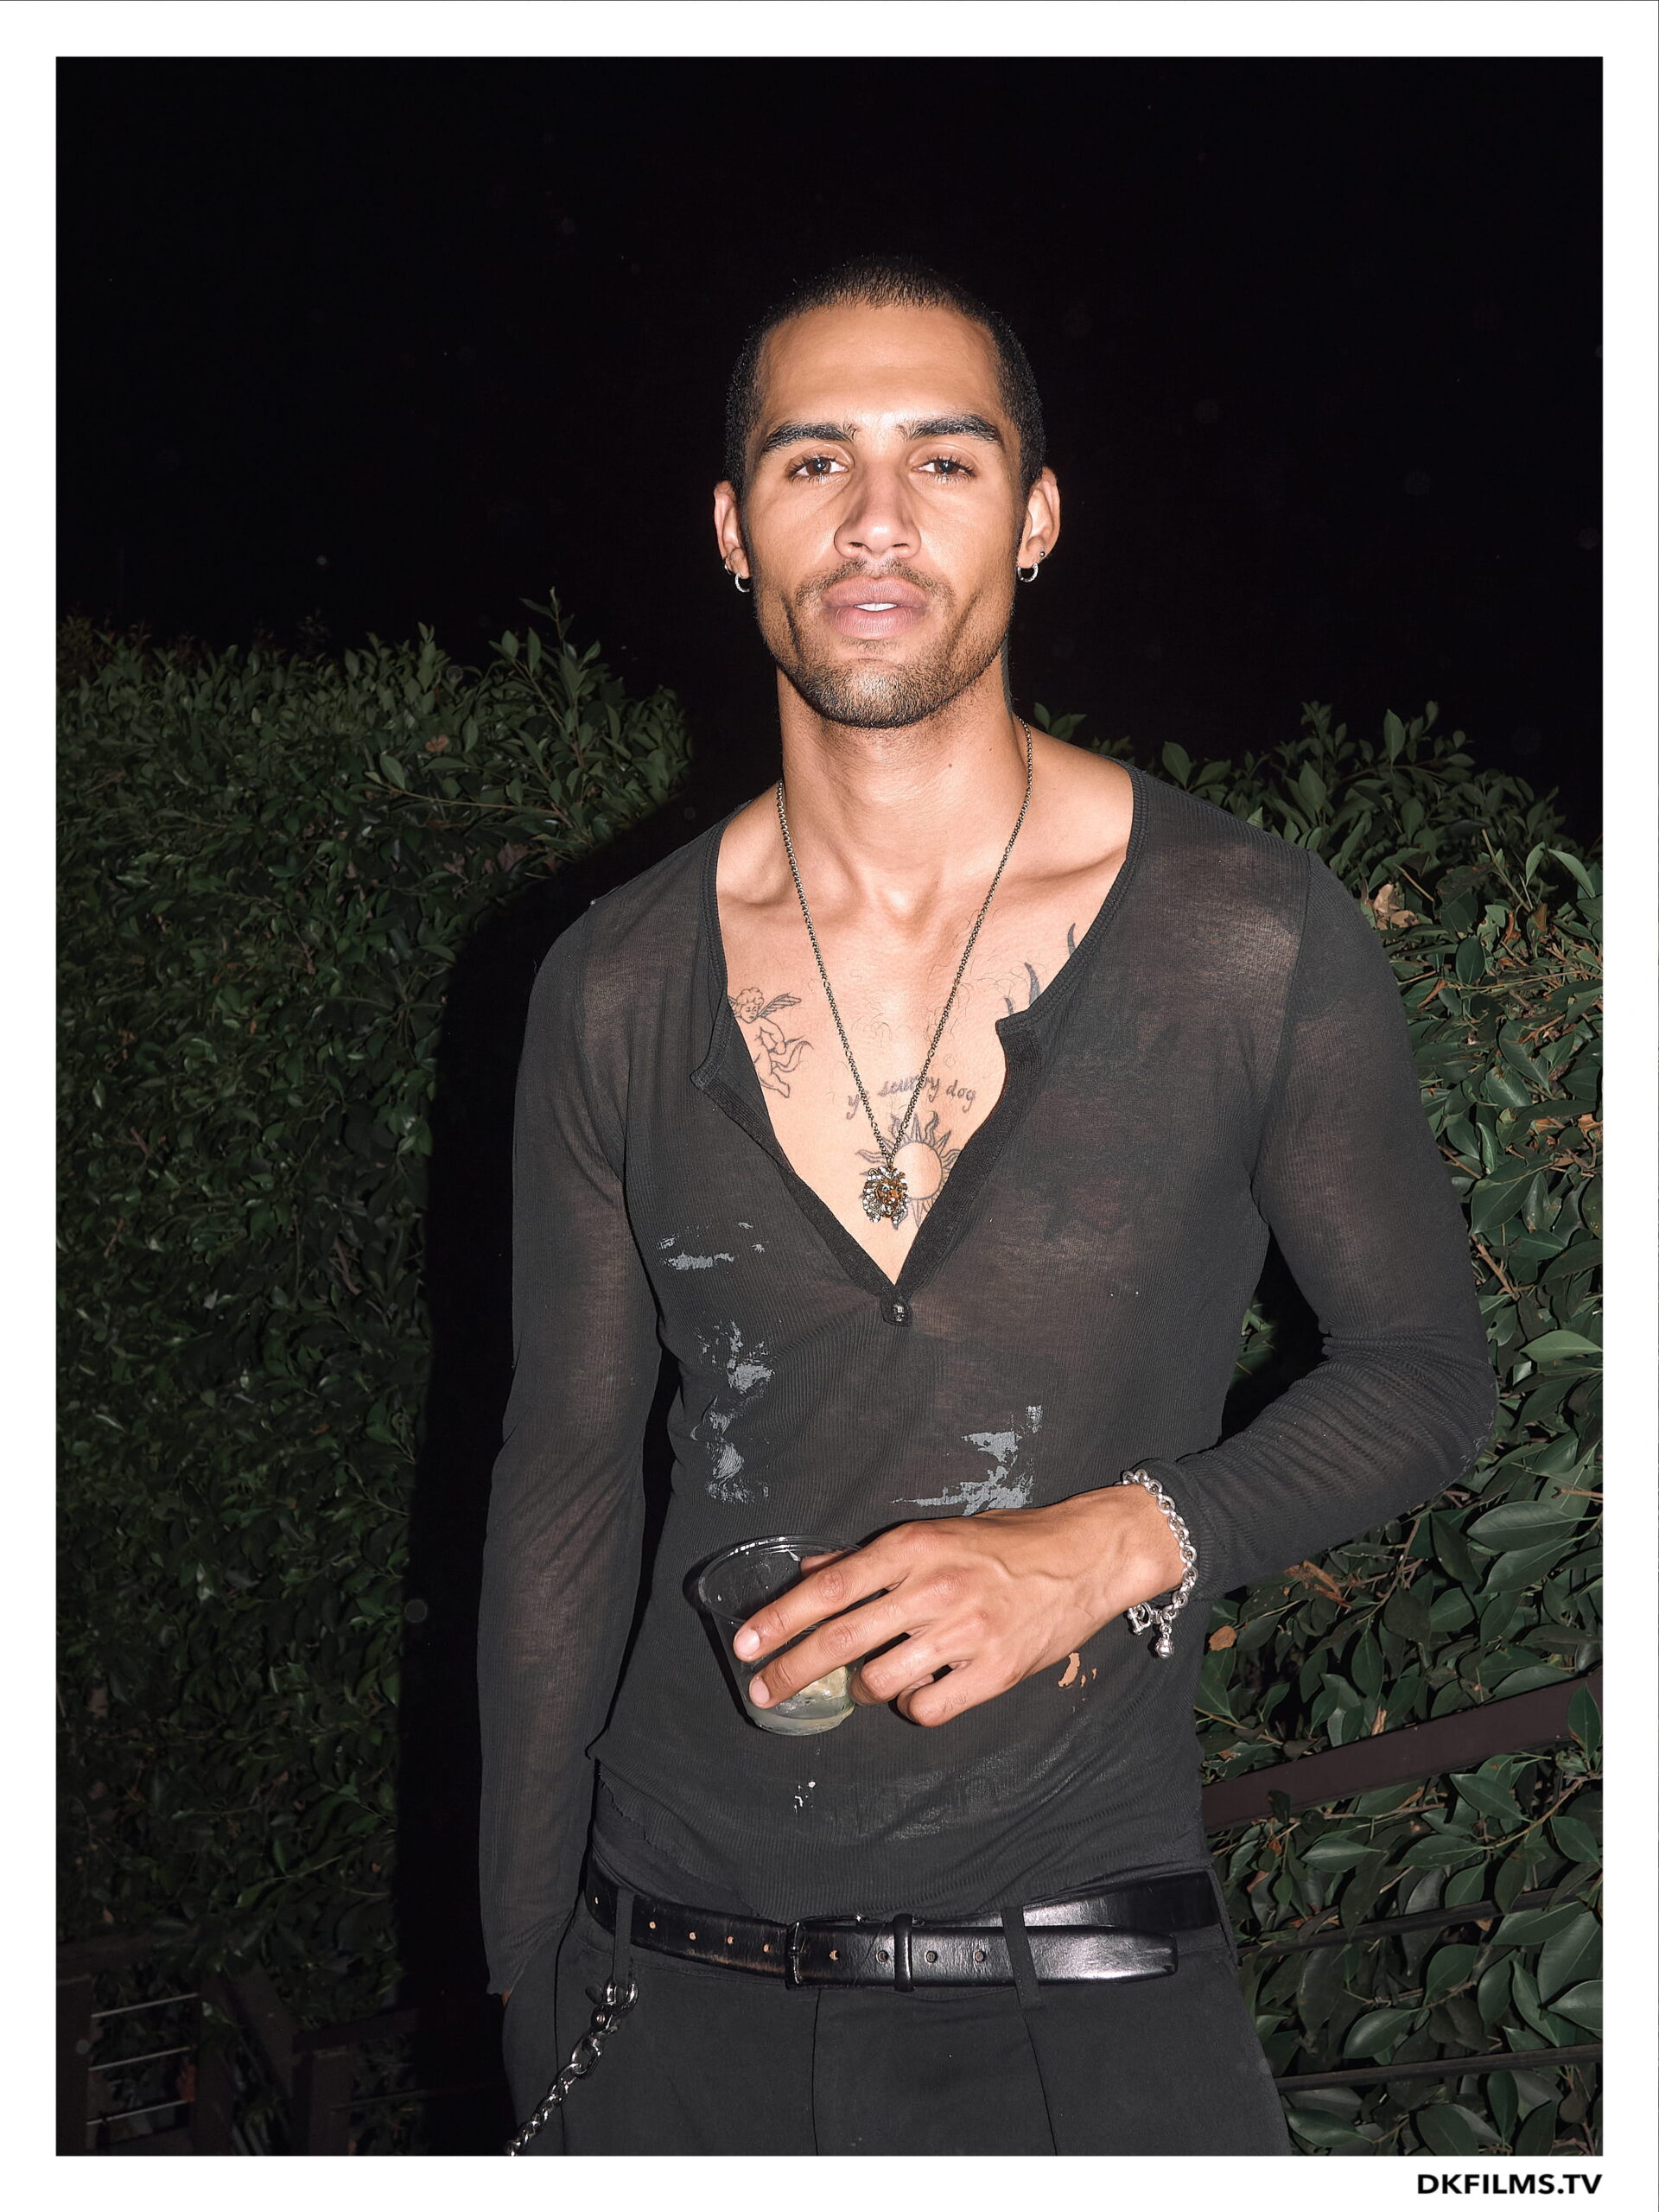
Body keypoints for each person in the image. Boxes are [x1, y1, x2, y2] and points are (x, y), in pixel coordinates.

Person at [478, 256, 1496, 2156]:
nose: (875, 517)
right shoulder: (608, 983)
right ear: (733, 528)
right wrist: (524, 1975)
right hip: (662, 1969)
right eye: (813, 462)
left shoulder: (1248, 936)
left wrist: (1110, 1544)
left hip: (1083, 1978)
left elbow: (1427, 1373)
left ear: (1035, 516)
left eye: (943, 461)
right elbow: (565, 1482)